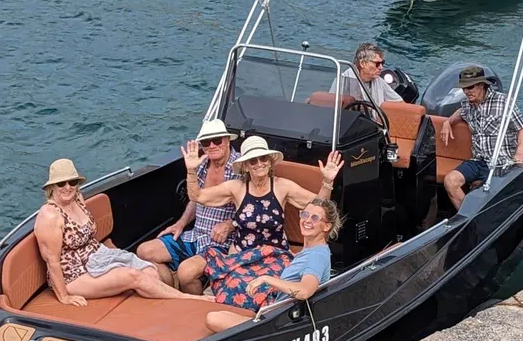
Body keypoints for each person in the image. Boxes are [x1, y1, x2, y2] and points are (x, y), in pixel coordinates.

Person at [175, 135, 342, 308]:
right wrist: (191, 171)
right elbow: (198, 196)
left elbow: (319, 207)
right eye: (253, 160)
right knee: (228, 284)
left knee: (255, 291)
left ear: (270, 162)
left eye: (263, 158)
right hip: (241, 255)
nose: (259, 163)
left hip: (275, 256)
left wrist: (327, 181)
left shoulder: (282, 186)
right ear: (246, 166)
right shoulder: (236, 187)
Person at [33, 158, 204, 306]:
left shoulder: (76, 199)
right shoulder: (50, 215)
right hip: (73, 275)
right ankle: (187, 299)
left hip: (96, 257)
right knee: (133, 276)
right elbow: (52, 261)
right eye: (61, 183)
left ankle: (164, 308)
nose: (68, 187)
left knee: (151, 272)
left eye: (72, 182)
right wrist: (64, 297)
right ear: (52, 187)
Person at [205, 198, 340, 333]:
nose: (307, 220)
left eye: (315, 218)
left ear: (326, 226)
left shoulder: (316, 257)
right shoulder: (311, 251)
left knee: (213, 319)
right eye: (305, 214)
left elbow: (304, 291)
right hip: (273, 315)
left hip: (276, 325)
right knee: (220, 310)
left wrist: (266, 279)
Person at [135, 120, 238, 282]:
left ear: (227, 140)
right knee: (144, 251)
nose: (212, 146)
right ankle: (170, 293)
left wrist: (231, 225)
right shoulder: (201, 164)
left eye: (217, 140)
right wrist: (181, 223)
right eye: (206, 142)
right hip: (196, 235)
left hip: (223, 242)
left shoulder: (242, 166)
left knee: (186, 272)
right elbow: (195, 199)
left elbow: (254, 206)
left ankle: (191, 293)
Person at [438, 66, 523, 209]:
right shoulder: (467, 105)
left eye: (470, 87)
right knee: (450, 181)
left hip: (501, 163)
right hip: (478, 161)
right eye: (464, 88)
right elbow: (460, 112)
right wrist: (447, 122)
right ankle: (469, 216)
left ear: (481, 85)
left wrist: (519, 153)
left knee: (485, 194)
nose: (466, 91)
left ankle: (474, 215)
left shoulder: (503, 102)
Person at [331, 42, 404, 105]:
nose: (381, 67)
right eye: (377, 64)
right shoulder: (343, 81)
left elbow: (399, 102)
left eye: (382, 63)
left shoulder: (379, 81)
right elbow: (330, 104)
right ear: (363, 63)